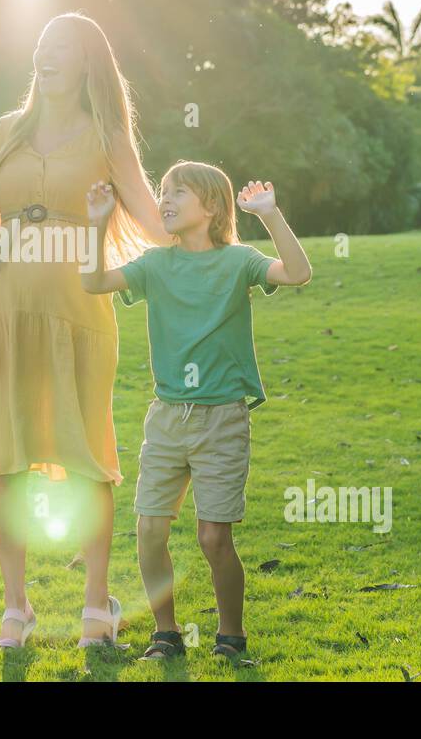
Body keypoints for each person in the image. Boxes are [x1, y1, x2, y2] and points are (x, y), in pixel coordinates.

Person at [0, 14, 171, 648]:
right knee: (6, 461)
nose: (46, 55)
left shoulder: (107, 137)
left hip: (79, 315)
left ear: (86, 65)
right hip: (4, 311)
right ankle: (15, 609)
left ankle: (95, 608)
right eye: (42, 45)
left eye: (62, 48)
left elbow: (154, 222)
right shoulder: (5, 130)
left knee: (87, 459)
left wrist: (213, 238)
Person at [80, 162, 312, 662]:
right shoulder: (154, 264)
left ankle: (231, 636)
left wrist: (270, 215)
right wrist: (97, 223)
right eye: (162, 191)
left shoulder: (239, 262)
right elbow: (93, 281)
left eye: (176, 192)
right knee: (149, 530)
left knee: (213, 537)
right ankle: (166, 635)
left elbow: (297, 273)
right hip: (166, 417)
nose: (164, 199)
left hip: (222, 419)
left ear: (210, 206)